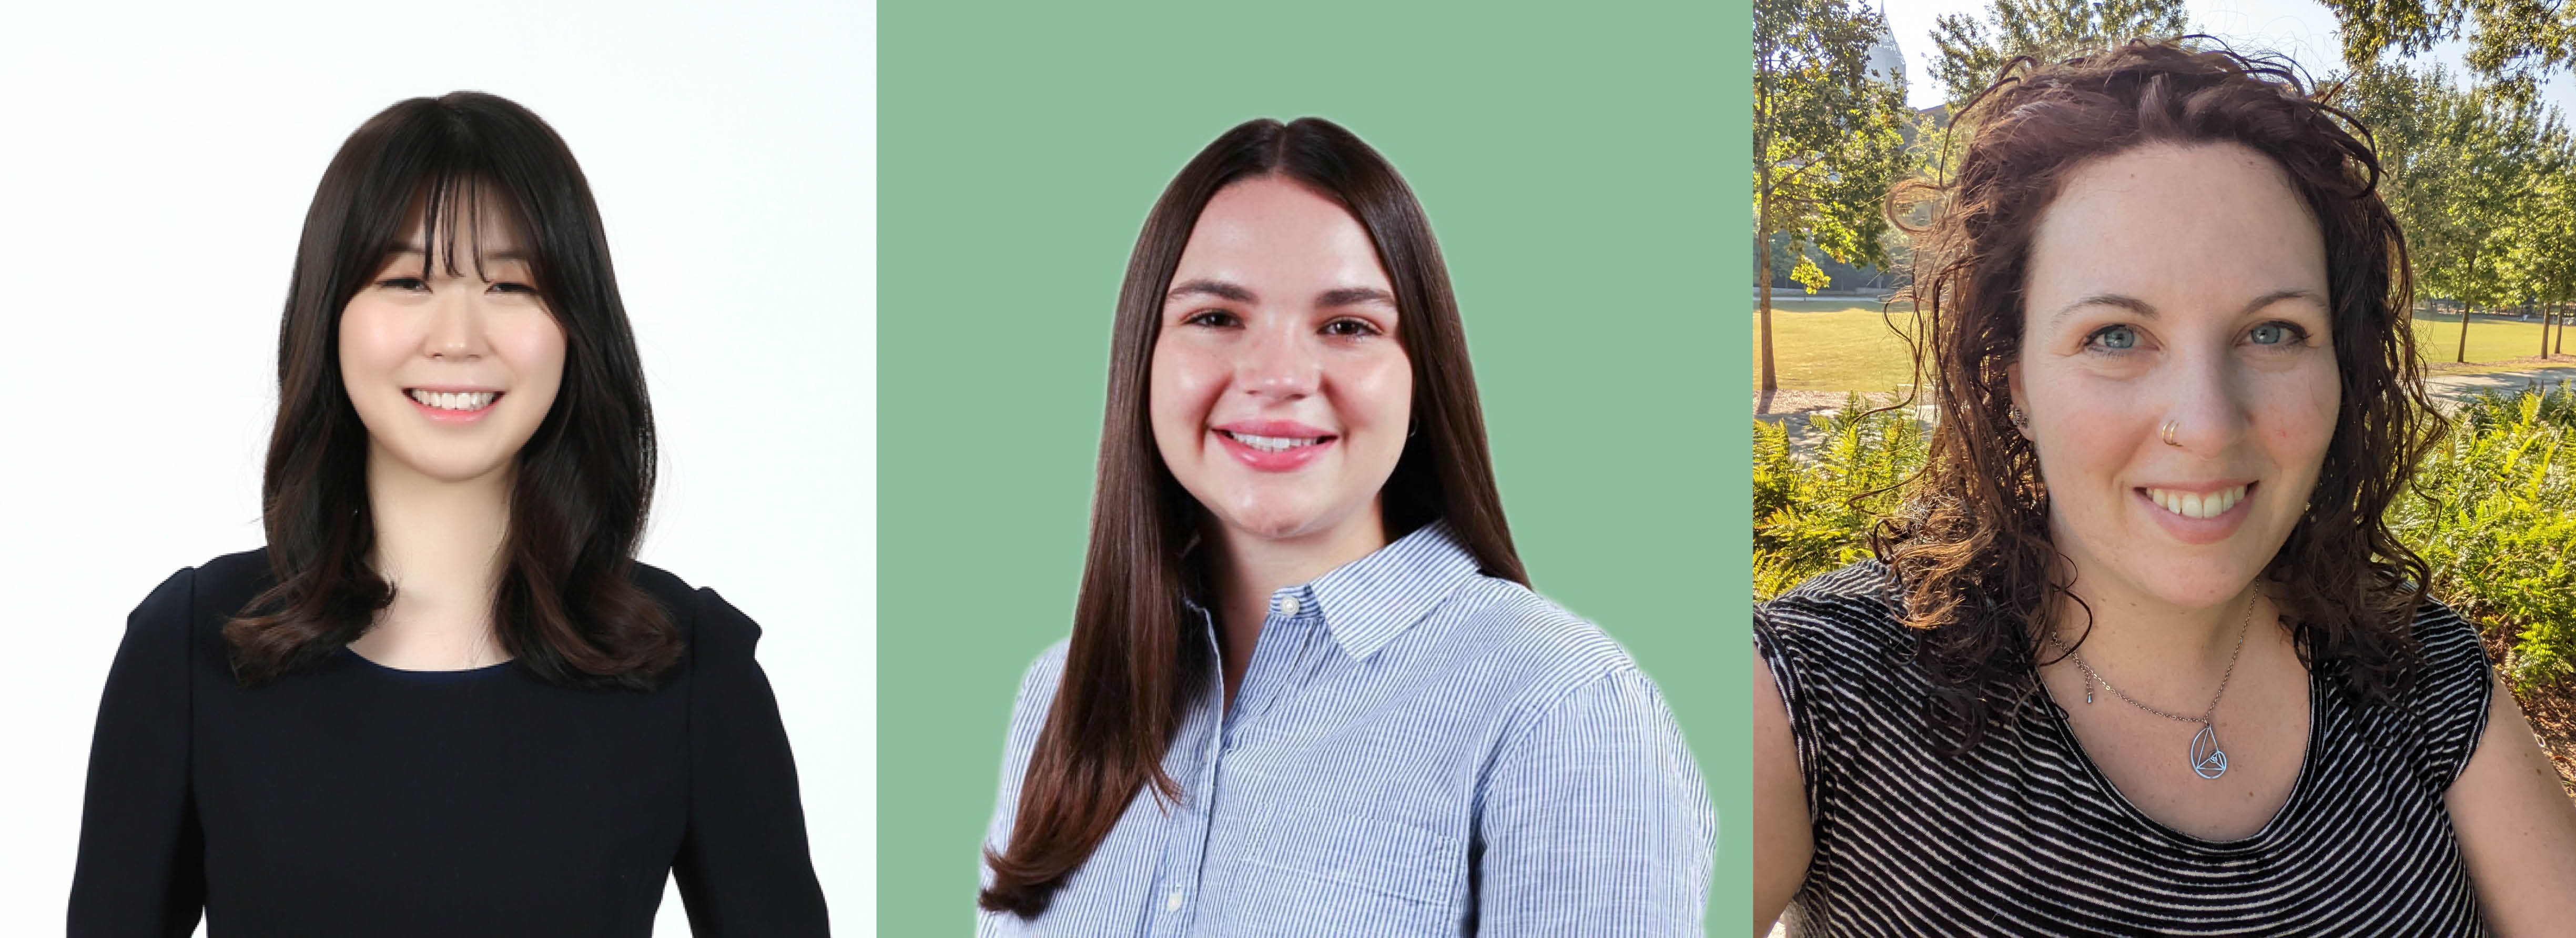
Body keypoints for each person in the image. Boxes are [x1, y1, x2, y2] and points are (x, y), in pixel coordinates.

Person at [1753, 41, 2576, 935]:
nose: (2208, 425)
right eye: (2115, 337)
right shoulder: (1814, 691)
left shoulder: (2420, 669)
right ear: (2012, 380)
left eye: (2276, 332)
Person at [68, 92, 829, 935]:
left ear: (577, 325)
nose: (458, 336)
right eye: (407, 280)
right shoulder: (190, 651)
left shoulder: (691, 667)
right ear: (331, 317)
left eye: (511, 283)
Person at [974, 117, 1713, 935]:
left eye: (1348, 326)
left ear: (1422, 379)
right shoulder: (1063, 692)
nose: (1280, 376)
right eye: (1217, 317)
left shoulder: (1561, 712)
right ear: (1142, 359)